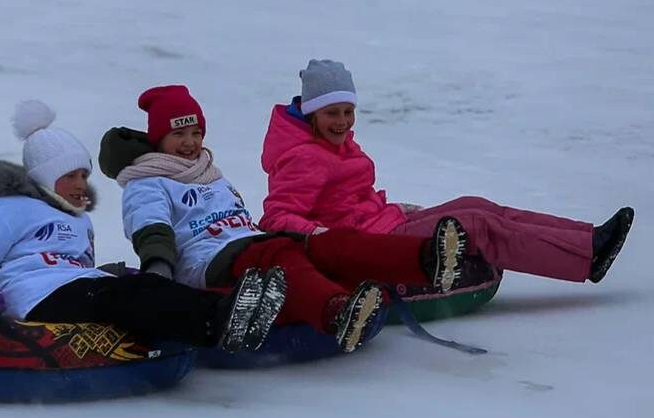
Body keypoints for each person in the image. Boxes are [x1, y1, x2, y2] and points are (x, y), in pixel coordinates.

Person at [99, 85, 470, 354]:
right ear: (159, 138)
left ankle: (427, 260)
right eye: (178, 134)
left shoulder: (208, 171)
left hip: (247, 243)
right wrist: (159, 270)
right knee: (282, 254)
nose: (190, 143)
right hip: (207, 261)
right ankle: (337, 312)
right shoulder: (147, 181)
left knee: (330, 243)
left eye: (195, 133)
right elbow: (151, 227)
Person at [0, 100, 287, 354]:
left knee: (139, 286)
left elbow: (73, 267)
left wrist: (113, 271)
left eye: (83, 175)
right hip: (34, 293)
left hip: (71, 286)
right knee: (128, 295)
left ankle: (232, 312)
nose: (81, 184)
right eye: (69, 176)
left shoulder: (77, 220)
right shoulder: (10, 208)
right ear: (43, 179)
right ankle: (219, 321)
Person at [259, 60, 634, 284]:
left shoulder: (332, 144)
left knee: (478, 205)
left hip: (381, 222)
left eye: (347, 111)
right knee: (478, 224)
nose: (342, 122)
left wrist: (387, 207)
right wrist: (324, 234)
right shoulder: (304, 156)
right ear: (311, 112)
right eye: (332, 113)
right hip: (372, 241)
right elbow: (276, 215)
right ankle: (586, 258)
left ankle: (589, 239)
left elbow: (343, 196)